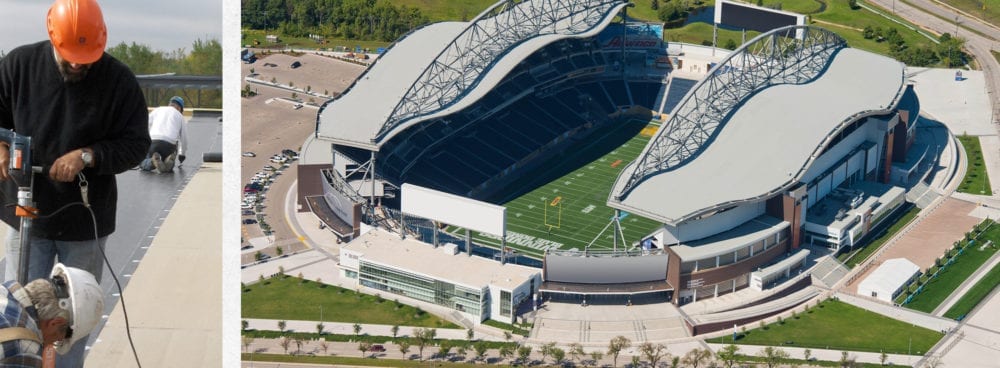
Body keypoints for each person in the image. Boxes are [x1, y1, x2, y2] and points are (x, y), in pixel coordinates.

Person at [0, 0, 149, 366]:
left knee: (71, 319)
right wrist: (2, 146)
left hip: (84, 223)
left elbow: (136, 145)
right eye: (70, 57)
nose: (78, 64)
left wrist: (89, 156)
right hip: (26, 215)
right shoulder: (18, 67)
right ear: (52, 36)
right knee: (19, 309)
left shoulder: (118, 81)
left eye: (86, 58)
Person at [0, 264, 103, 367]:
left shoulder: (4, 290)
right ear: (55, 323)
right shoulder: (25, 351)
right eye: (60, 338)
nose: (53, 343)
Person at [139, 96, 188, 173]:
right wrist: (182, 155)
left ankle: (152, 162)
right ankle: (168, 161)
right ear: (179, 108)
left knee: (143, 162)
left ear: (170, 104)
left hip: (153, 141)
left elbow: (144, 124)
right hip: (169, 144)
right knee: (168, 160)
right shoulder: (180, 116)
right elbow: (184, 139)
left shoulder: (157, 110)